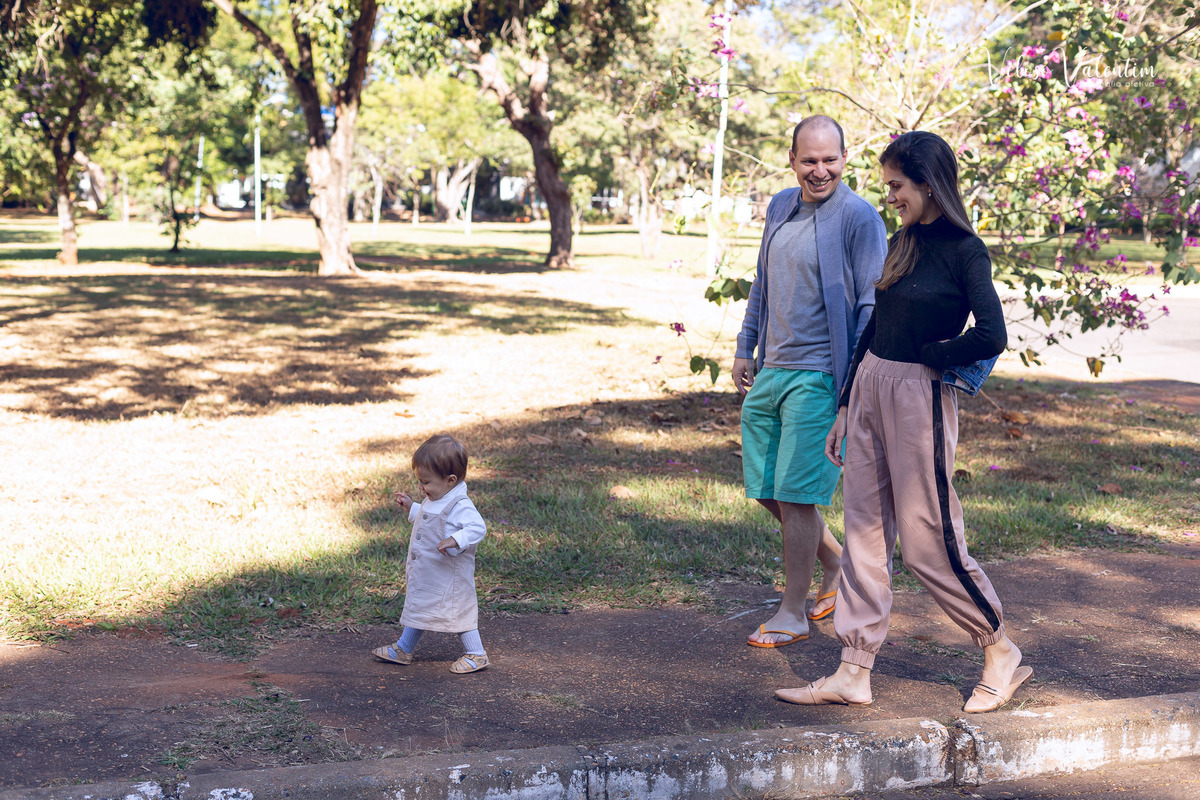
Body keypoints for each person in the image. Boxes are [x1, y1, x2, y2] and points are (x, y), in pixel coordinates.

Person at [776, 130, 1029, 712]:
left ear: (927, 181)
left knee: (925, 543)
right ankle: (853, 669)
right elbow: (874, 326)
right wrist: (845, 404)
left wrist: (930, 360)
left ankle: (999, 648)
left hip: (918, 397)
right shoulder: (903, 241)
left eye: (897, 185)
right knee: (864, 535)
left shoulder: (966, 250)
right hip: (868, 392)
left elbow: (992, 335)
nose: (890, 195)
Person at [733, 116, 887, 648]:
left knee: (797, 495)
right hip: (772, 367)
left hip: (822, 375)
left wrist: (850, 390)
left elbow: (870, 307)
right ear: (792, 159)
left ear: (845, 159)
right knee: (765, 486)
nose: (820, 170)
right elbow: (763, 282)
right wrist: (744, 344)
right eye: (809, 160)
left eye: (830, 160)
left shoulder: (859, 219)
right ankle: (838, 563)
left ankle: (793, 611)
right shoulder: (780, 205)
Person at [372, 433, 490, 674]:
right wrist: (411, 506)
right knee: (421, 605)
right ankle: (404, 649)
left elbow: (478, 527)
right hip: (430, 572)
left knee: (458, 609)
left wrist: (455, 539)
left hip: (450, 577)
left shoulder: (460, 505)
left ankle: (477, 654)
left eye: (425, 482)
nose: (421, 487)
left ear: (450, 480)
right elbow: (430, 517)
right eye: (420, 481)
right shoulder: (436, 496)